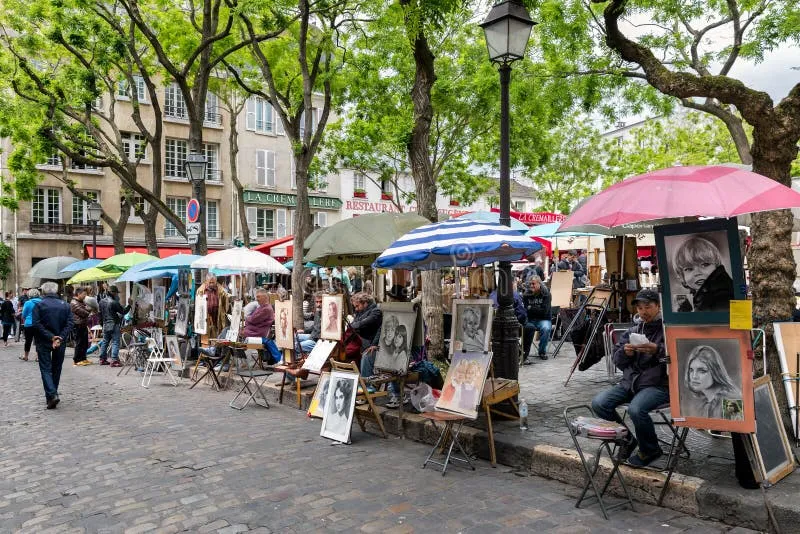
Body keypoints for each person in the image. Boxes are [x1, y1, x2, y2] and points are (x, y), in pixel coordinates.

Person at [591, 288, 669, 467]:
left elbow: (675, 359)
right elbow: (618, 361)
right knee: (599, 403)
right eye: (640, 308)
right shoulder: (632, 330)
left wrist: (656, 350)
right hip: (630, 382)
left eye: (648, 307)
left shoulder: (667, 329)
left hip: (658, 384)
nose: (643, 312)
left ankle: (650, 449)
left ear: (658, 306)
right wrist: (626, 353)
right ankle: (626, 439)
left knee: (636, 409)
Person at [31, 282, 73, 409]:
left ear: (43, 291)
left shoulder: (39, 305)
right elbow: (70, 323)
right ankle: (52, 394)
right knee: (56, 368)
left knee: (45, 368)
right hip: (59, 340)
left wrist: (52, 337)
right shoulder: (65, 305)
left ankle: (52, 394)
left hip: (44, 340)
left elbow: (36, 324)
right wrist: (59, 337)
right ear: (55, 291)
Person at [673, 236, 734, 312]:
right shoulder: (696, 296)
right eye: (689, 269)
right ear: (682, 276)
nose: (697, 273)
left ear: (716, 265)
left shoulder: (723, 295)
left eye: (705, 265)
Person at [682, 344, 742, 419]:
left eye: (702, 371)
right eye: (691, 370)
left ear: (715, 372)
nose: (694, 376)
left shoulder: (731, 400)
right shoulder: (706, 401)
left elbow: (736, 428)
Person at [521, 275, 552, 363]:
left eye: (533, 284)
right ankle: (524, 354)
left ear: (539, 284)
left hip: (544, 319)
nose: (531, 286)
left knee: (545, 328)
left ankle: (542, 352)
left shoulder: (546, 294)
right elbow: (525, 310)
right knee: (526, 328)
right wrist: (535, 309)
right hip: (531, 319)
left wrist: (531, 308)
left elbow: (545, 312)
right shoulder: (526, 294)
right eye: (530, 284)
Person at [99, 286, 130, 367]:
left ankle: (102, 359)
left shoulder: (101, 301)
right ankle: (114, 360)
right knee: (115, 342)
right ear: (113, 293)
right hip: (113, 324)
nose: (117, 295)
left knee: (105, 341)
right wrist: (130, 305)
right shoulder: (113, 302)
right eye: (116, 293)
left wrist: (102, 324)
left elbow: (100, 315)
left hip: (105, 324)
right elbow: (123, 311)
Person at [70, 287, 92, 366]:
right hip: (78, 325)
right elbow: (84, 313)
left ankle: (83, 358)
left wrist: (88, 309)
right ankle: (77, 359)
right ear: (78, 294)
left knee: (84, 343)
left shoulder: (80, 302)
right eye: (84, 294)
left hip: (83, 324)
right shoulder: (74, 303)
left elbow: (87, 309)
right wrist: (89, 309)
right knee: (79, 343)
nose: (85, 296)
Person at [19, 289, 41, 361]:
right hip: (39, 324)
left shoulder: (27, 303)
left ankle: (26, 356)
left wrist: (25, 318)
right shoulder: (42, 302)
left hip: (29, 324)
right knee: (38, 341)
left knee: (28, 341)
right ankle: (38, 357)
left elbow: (24, 314)